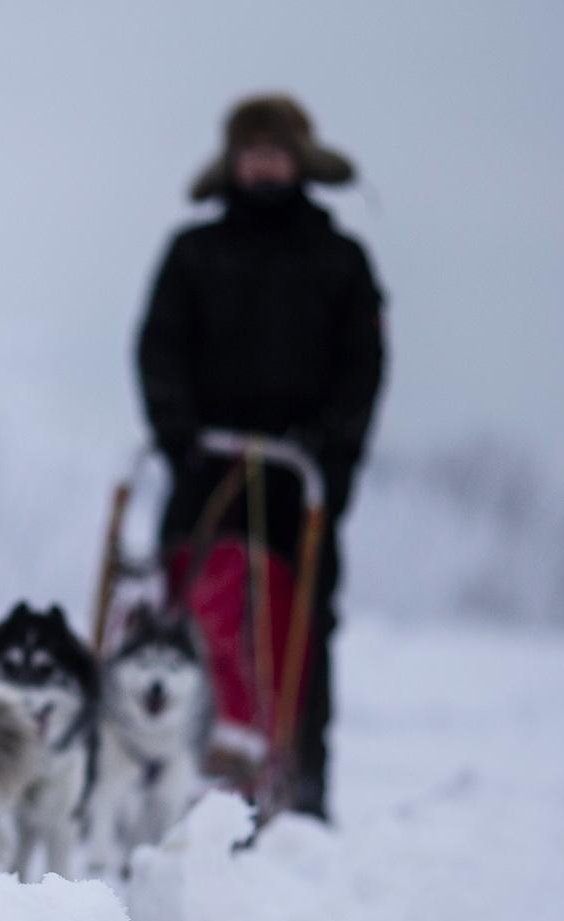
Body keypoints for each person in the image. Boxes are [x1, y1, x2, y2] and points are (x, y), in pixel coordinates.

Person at [134, 94, 386, 820]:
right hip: (203, 471)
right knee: (190, 615)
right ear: (233, 162)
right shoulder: (194, 253)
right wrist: (176, 431)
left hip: (297, 483)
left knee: (302, 631)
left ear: (298, 160)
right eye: (253, 151)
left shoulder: (340, 261)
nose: (264, 163)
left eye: (276, 151)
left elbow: (362, 369)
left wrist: (333, 453)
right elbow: (159, 348)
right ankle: (181, 769)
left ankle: (299, 784)